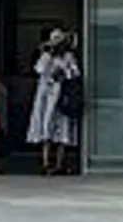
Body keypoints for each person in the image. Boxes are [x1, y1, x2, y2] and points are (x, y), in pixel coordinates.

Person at [26, 28, 82, 175]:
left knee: (63, 128)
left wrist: (64, 72)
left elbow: (75, 73)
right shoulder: (46, 56)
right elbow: (39, 69)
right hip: (46, 97)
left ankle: (59, 162)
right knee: (46, 126)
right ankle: (45, 162)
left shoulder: (68, 56)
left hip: (62, 95)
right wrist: (48, 55)